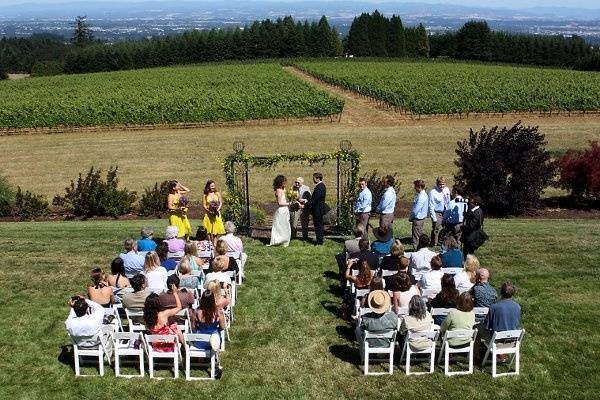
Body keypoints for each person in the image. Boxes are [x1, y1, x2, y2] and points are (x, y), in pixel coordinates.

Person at [192, 291, 226, 378]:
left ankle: (201, 360)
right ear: (212, 300)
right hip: (213, 341)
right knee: (215, 339)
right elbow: (222, 327)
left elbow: (193, 328)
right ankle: (215, 363)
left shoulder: (196, 312)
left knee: (207, 337)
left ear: (202, 299)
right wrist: (216, 330)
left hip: (199, 342)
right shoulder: (218, 312)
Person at [302, 172, 326, 245]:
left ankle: (319, 242)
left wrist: (306, 204)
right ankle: (319, 240)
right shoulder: (320, 186)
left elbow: (315, 200)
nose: (313, 179)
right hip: (318, 209)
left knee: (318, 226)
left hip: (318, 210)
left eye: (314, 178)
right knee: (318, 225)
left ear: (317, 178)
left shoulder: (320, 187)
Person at [269, 175, 291, 247]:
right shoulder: (278, 190)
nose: (285, 183)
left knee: (285, 225)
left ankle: (285, 240)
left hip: (285, 210)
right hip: (282, 210)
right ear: (280, 182)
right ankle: (280, 240)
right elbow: (279, 203)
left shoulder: (283, 189)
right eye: (284, 181)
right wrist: (289, 203)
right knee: (281, 226)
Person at [429, 176, 451, 247]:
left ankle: (442, 241)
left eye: (443, 184)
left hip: (446, 211)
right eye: (440, 184)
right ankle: (434, 243)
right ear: (437, 183)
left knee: (447, 227)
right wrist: (434, 218)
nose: (442, 186)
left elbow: (448, 200)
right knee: (436, 228)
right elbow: (431, 206)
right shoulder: (433, 192)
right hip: (437, 212)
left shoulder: (447, 190)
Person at [408, 179, 428, 250]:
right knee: (419, 235)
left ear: (419, 187)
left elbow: (416, 210)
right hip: (421, 219)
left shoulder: (421, 197)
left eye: (415, 186)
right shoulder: (424, 194)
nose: (414, 188)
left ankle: (416, 250)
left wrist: (411, 217)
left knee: (416, 237)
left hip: (418, 219)